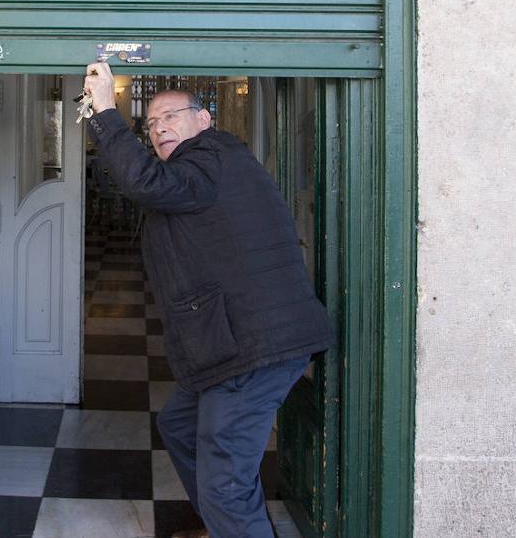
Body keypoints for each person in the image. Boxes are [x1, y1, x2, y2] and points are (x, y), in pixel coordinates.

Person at [82, 62, 335, 538]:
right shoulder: (201, 167)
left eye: (171, 116)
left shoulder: (209, 157)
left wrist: (105, 112)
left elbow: (146, 184)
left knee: (225, 484)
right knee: (180, 425)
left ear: (204, 120)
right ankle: (225, 528)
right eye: (151, 124)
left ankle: (230, 523)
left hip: (251, 348)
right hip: (235, 342)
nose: (159, 129)